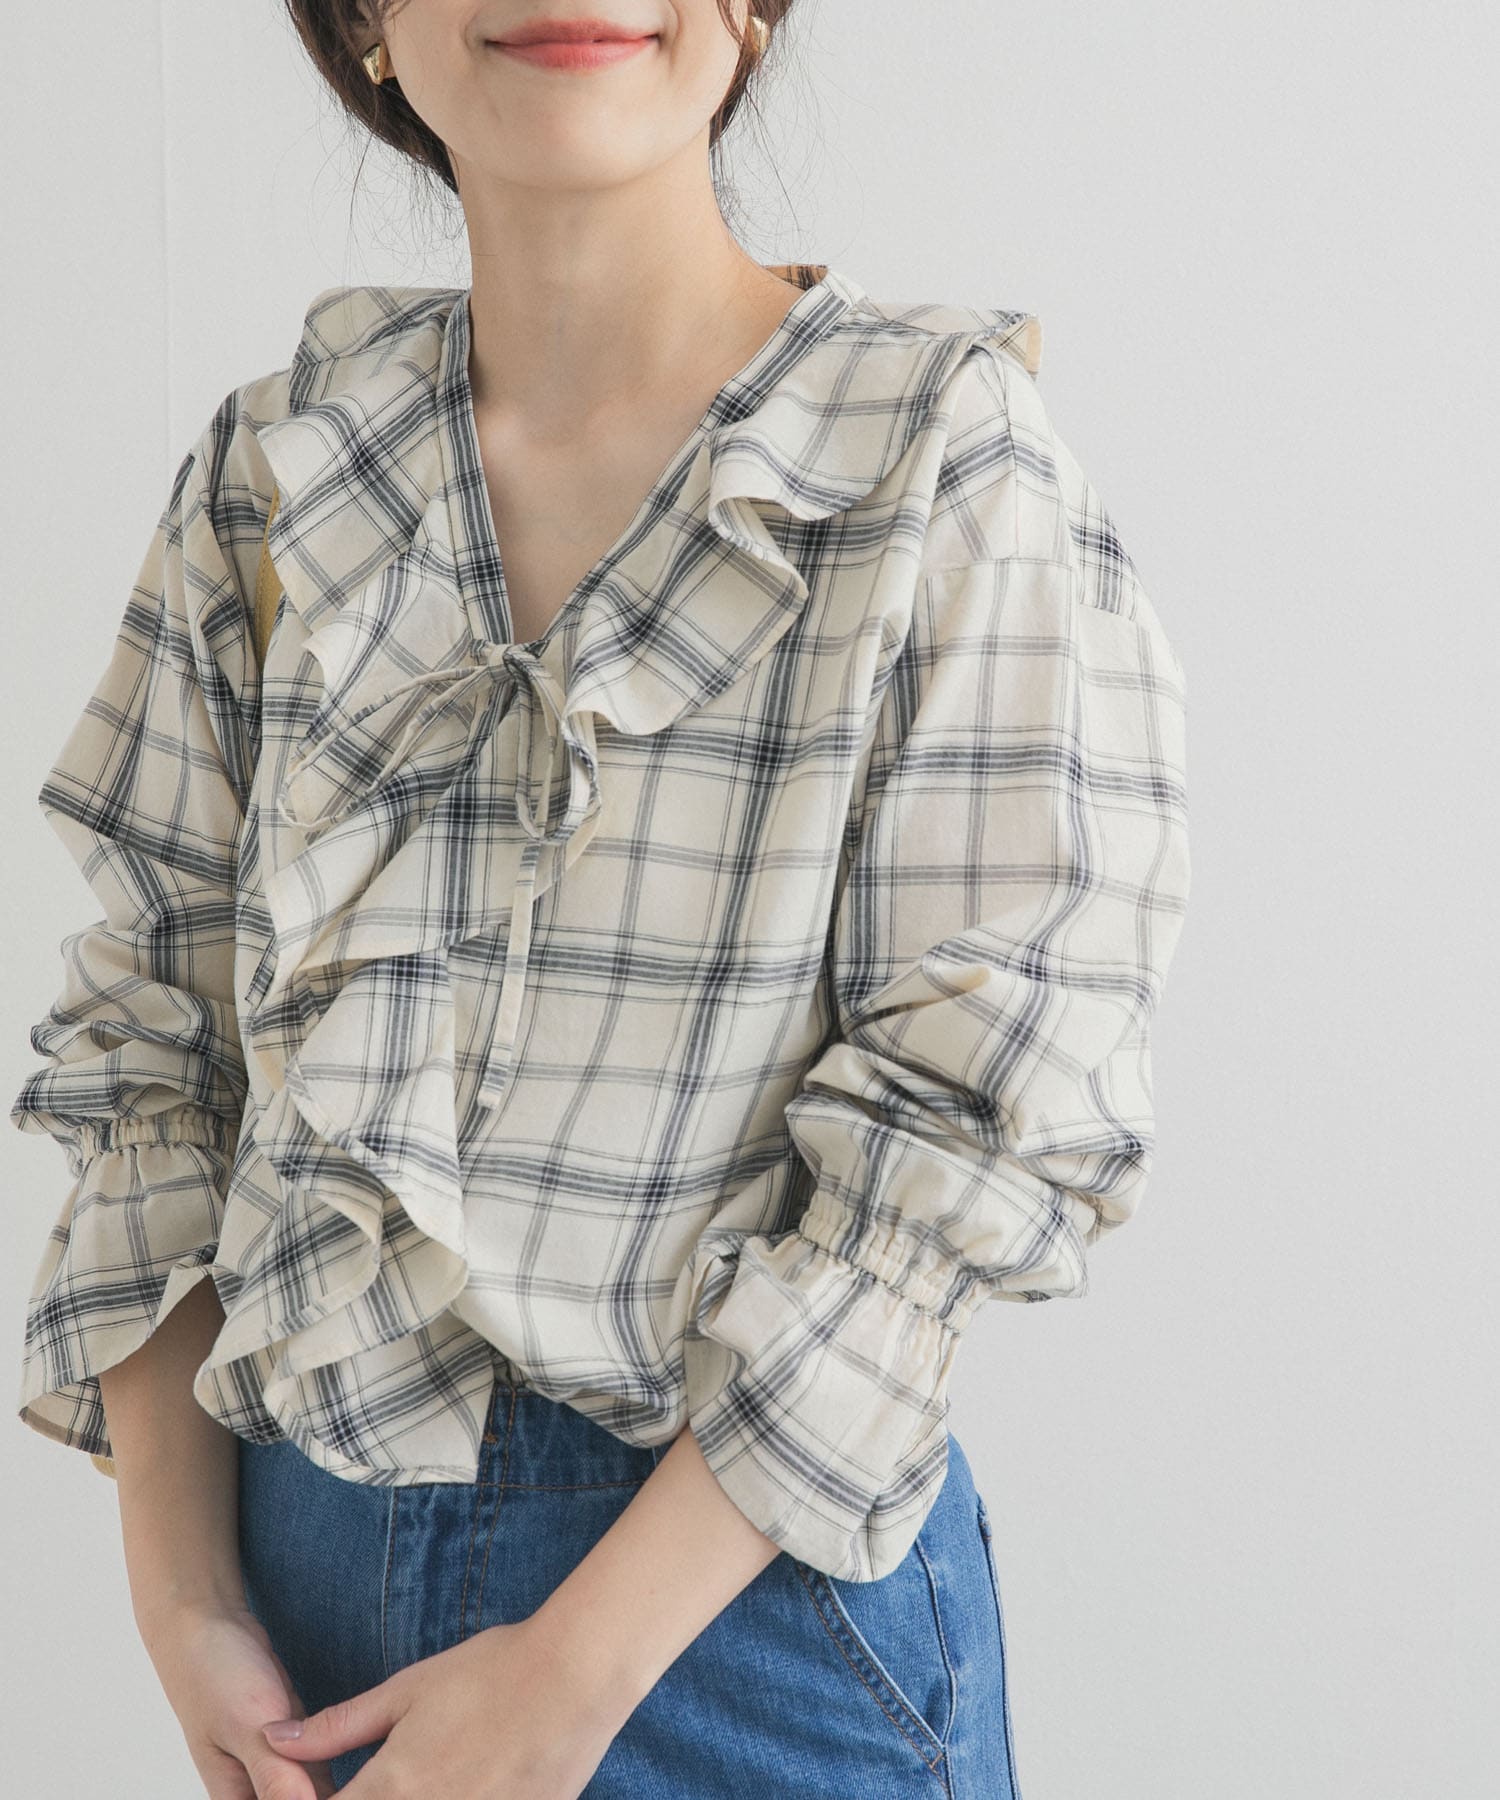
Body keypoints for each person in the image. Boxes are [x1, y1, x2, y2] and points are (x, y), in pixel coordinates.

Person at [8, 3, 1192, 1796]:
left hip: (741, 1625)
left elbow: (972, 1138)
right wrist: (187, 1605)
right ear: (368, 22)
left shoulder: (939, 455)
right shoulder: (279, 473)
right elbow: (154, 1071)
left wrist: (572, 1678)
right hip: (298, 1604)